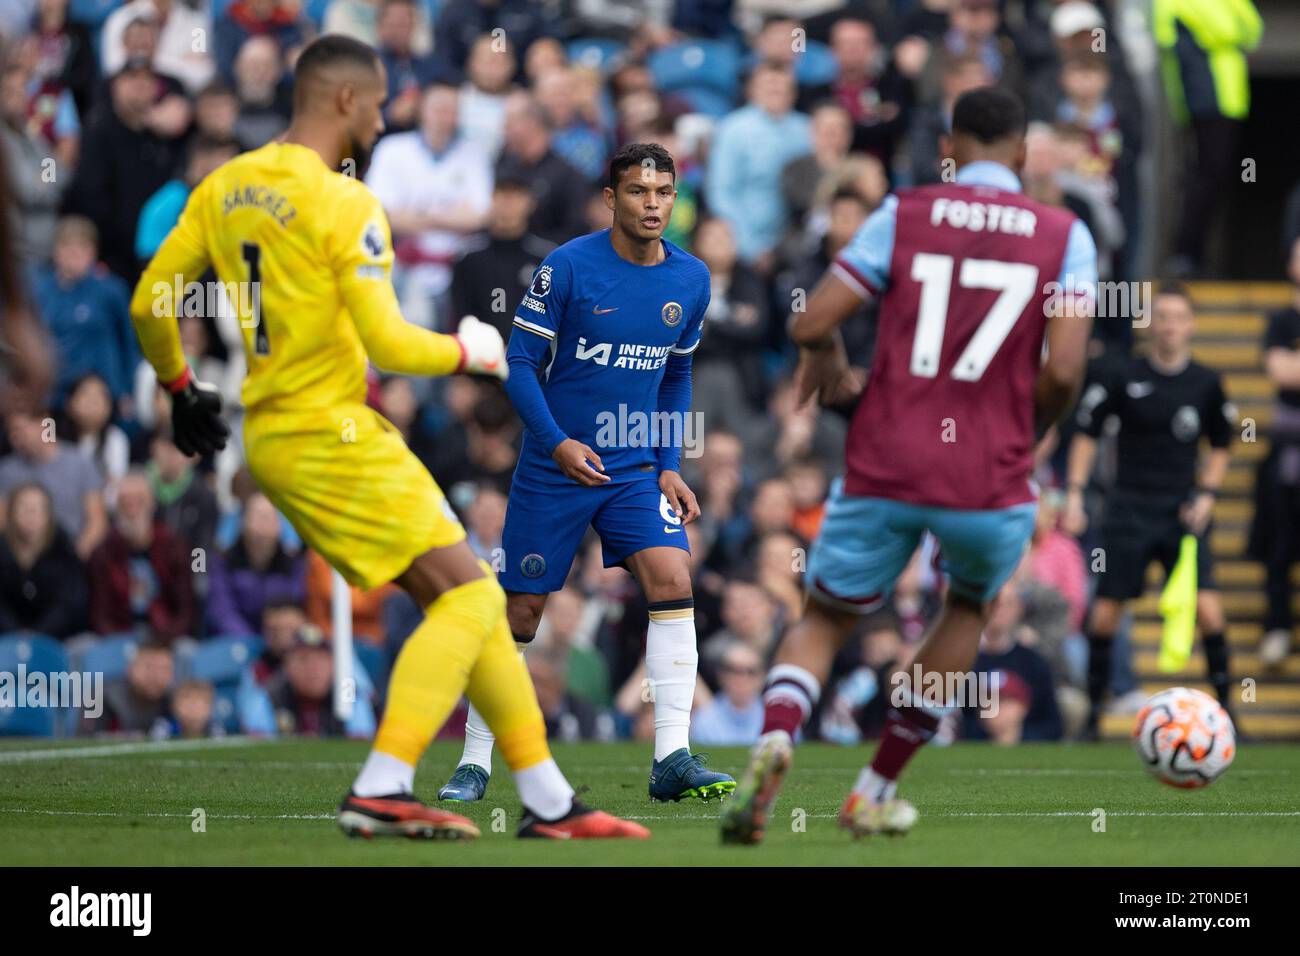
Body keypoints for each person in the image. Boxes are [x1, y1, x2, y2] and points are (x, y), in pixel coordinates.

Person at [127, 34, 644, 841]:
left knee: (460, 596)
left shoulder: (224, 186)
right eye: (374, 106)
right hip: (331, 431)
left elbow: (149, 300)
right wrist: (475, 350)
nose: (379, 121)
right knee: (475, 597)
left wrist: (181, 388)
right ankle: (382, 783)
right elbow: (395, 345)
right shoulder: (345, 201)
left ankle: (548, 802)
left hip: (274, 435)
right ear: (343, 101)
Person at [720, 87, 1097, 845]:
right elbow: (1063, 372)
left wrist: (826, 361)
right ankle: (872, 790)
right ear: (1022, 154)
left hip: (887, 459)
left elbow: (811, 320)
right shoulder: (1065, 234)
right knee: (966, 608)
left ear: (950, 148)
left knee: (825, 616)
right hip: (988, 476)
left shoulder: (906, 211)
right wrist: (1028, 432)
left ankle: (777, 735)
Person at [437, 142, 736, 805]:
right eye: (638, 192)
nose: (652, 204)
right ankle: (476, 761)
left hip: (635, 464)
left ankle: (671, 757)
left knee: (672, 574)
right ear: (611, 198)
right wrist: (557, 443)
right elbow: (518, 365)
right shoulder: (567, 266)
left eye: (663, 193)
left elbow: (676, 373)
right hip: (555, 464)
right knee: (521, 611)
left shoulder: (691, 278)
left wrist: (667, 465)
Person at [1064, 283, 1236, 732]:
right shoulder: (1123, 375)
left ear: (1191, 325)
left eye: (1179, 317)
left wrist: (1207, 495)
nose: (1170, 326)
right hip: (1128, 508)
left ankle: (1229, 711)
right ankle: (1094, 716)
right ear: (1150, 323)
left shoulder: (1207, 382)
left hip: (1182, 512)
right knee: (1104, 614)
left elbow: (1221, 444)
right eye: (1162, 317)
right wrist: (1077, 493)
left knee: (1210, 610)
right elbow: (1087, 430)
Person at [1251, 238, 1300, 668]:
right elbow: (1281, 372)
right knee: (1279, 545)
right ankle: (1277, 626)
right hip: (1287, 453)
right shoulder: (1282, 320)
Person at [87, 469, 194, 641]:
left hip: (166, 636)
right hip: (119, 636)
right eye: (125, 502)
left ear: (152, 503)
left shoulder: (173, 547)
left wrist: (161, 641)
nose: (132, 509)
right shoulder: (103, 552)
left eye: (139, 501)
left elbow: (185, 612)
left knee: (187, 650)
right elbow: (99, 613)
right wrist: (120, 642)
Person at [0, 481, 88, 638]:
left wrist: (38, 634)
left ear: (49, 514)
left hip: (57, 640)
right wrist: (15, 634)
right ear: (11, 512)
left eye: (38, 507)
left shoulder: (63, 548)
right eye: (23, 506)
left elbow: (69, 604)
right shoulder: (3, 547)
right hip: (6, 640)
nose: (31, 513)